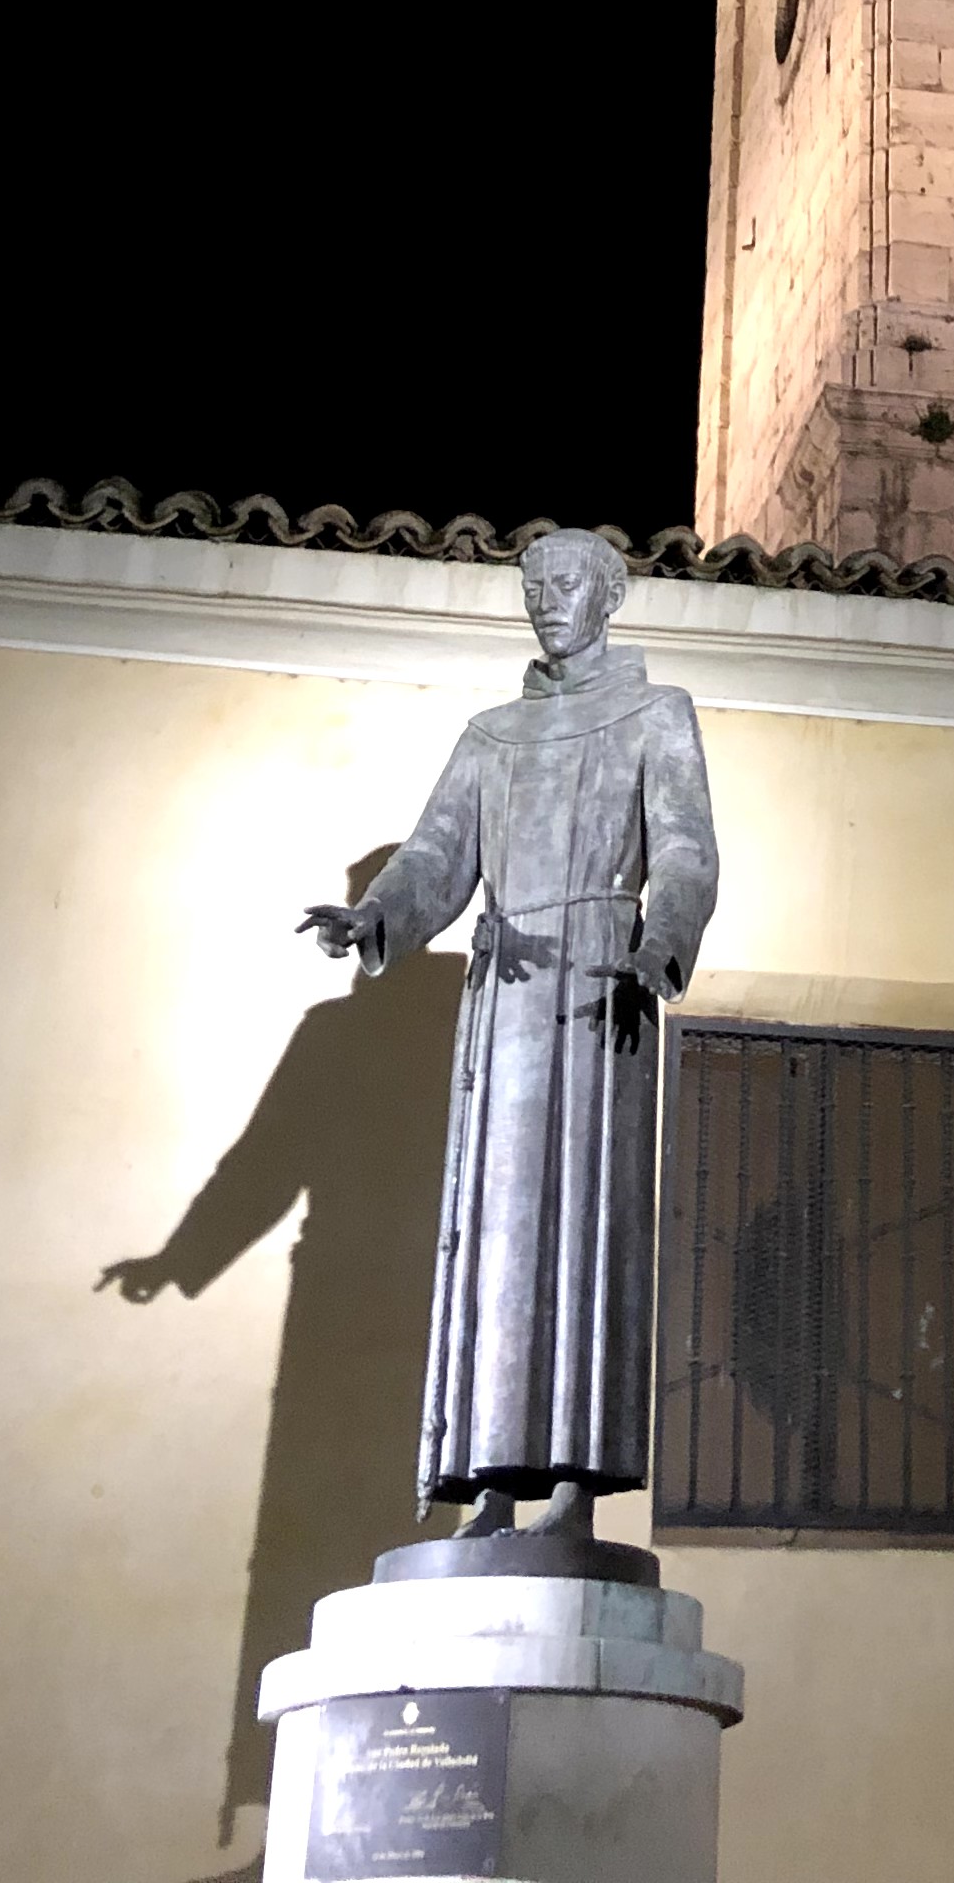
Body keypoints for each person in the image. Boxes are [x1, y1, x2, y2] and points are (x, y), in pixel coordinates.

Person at [298, 528, 717, 1523]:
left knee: (588, 1222)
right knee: (497, 1230)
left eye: (565, 585)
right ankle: (490, 1479)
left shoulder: (658, 713)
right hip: (505, 1002)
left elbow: (687, 852)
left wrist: (661, 940)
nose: (547, 604)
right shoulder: (491, 736)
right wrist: (374, 915)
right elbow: (434, 856)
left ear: (608, 596)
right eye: (533, 589)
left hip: (603, 987)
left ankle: (578, 1478)